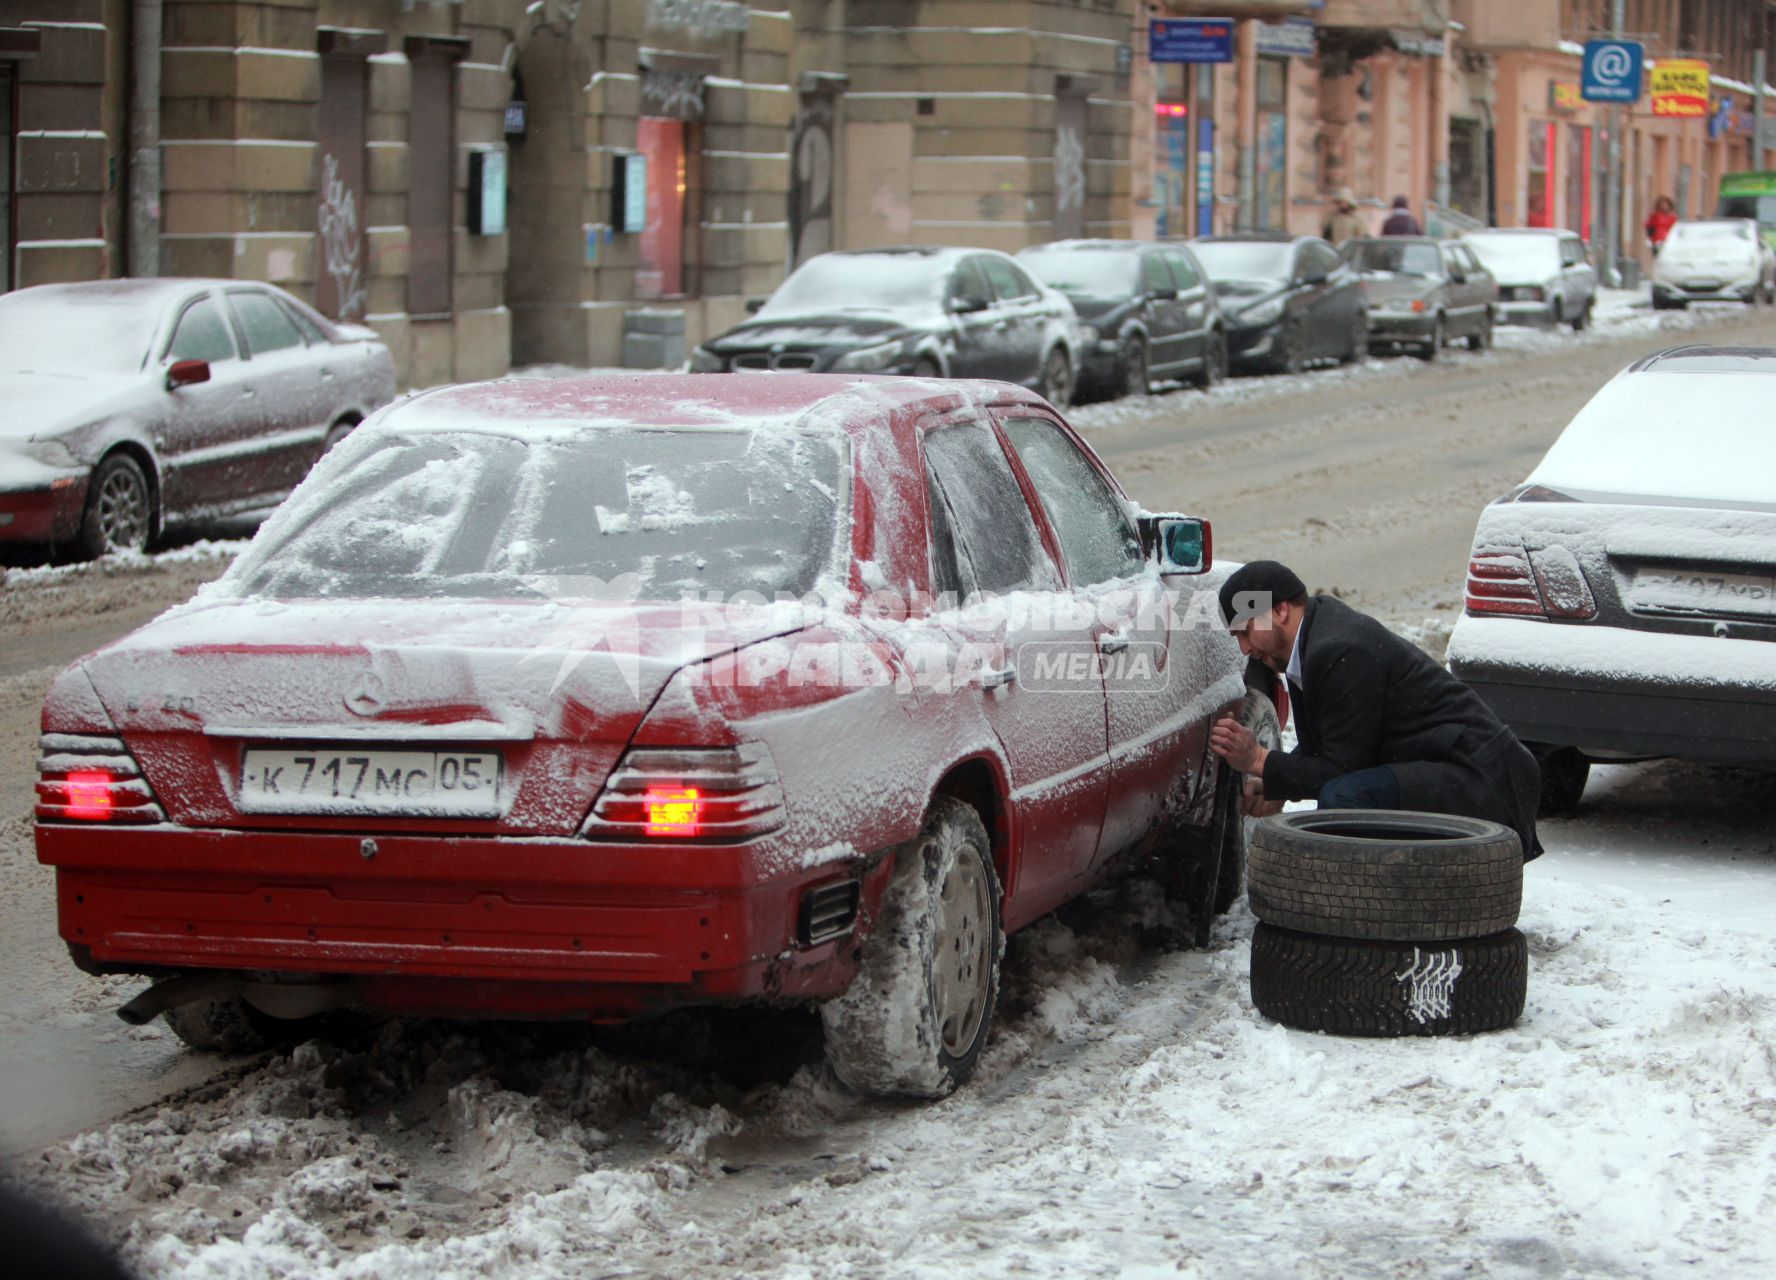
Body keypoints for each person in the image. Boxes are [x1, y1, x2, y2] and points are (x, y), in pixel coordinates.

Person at [1208, 560, 1543, 860]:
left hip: (1483, 777)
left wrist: (1258, 760)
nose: (1244, 648)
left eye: (1247, 630)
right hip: (1453, 766)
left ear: (1279, 610)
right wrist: (1277, 786)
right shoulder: (1310, 638)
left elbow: (1339, 769)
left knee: (1344, 799)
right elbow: (1328, 747)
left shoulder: (1338, 649)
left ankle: (1382, 912)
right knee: (1344, 794)